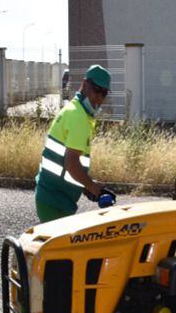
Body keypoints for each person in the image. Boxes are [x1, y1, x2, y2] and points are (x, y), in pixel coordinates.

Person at [35, 64, 117, 222]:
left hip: (53, 198)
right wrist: (92, 185)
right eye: (97, 90)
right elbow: (71, 164)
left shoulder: (76, 110)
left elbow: (66, 166)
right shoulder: (78, 116)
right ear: (85, 85)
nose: (99, 97)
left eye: (104, 93)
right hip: (55, 201)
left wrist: (85, 186)